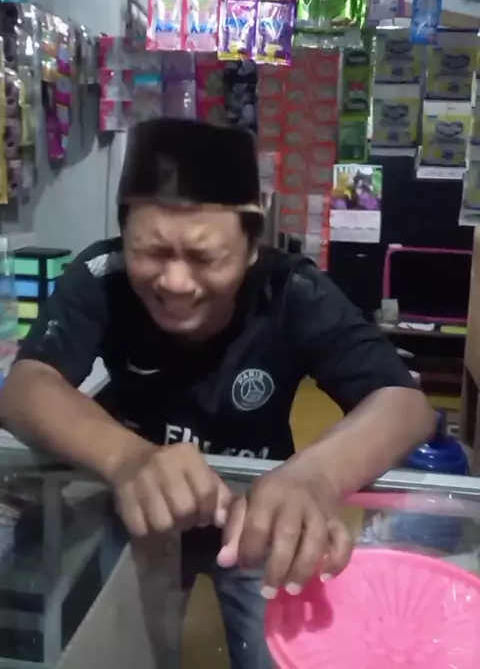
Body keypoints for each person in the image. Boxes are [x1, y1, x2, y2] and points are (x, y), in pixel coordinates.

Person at [0, 118, 435, 668]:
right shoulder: (102, 275)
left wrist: (316, 476)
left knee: (272, 654)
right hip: (144, 511)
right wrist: (128, 458)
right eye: (151, 252)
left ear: (252, 247)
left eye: (205, 258)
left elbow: (403, 403)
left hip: (259, 516)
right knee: (137, 653)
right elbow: (26, 386)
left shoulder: (290, 290)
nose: (175, 282)